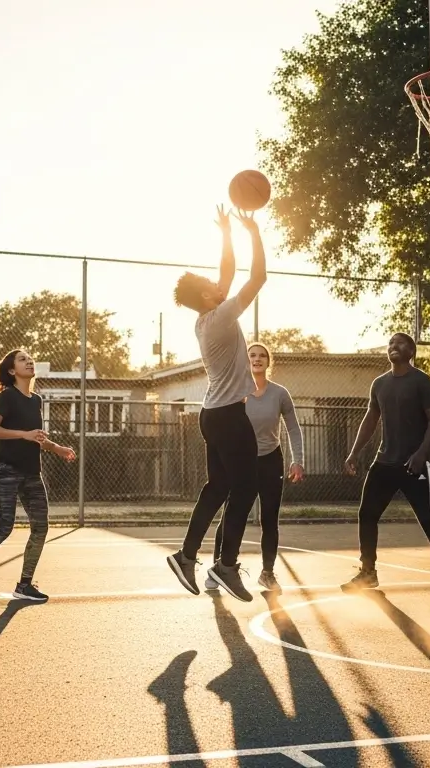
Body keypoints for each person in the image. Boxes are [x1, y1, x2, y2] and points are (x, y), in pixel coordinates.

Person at [164, 205, 268, 603]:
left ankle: (186, 555)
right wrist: (253, 233)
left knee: (219, 486)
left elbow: (226, 272)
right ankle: (224, 565)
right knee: (247, 487)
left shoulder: (205, 317)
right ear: (209, 295)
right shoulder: (223, 315)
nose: (218, 281)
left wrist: (227, 233)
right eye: (212, 282)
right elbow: (257, 277)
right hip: (227, 415)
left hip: (211, 414)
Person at [341, 332, 430, 597]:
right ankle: (368, 572)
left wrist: (422, 452)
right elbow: (370, 420)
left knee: (427, 517)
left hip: (413, 463)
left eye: (400, 343)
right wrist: (354, 452)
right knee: (367, 514)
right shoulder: (379, 384)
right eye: (390, 343)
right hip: (384, 461)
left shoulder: (422, 382)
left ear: (411, 351)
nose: (394, 346)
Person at [0, 349, 76, 604]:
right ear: (12, 371)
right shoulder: (8, 396)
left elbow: (37, 436)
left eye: (30, 358)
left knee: (41, 527)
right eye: (22, 359)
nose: (29, 361)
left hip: (32, 472)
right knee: (4, 528)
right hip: (7, 470)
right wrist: (23, 434)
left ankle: (24, 584)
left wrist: (57, 448)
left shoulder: (36, 400)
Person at [202, 342, 304, 593]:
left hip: (270, 460)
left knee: (270, 519)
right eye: (252, 356)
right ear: (245, 361)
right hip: (239, 460)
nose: (257, 359)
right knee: (231, 515)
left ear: (269, 362)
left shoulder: (280, 394)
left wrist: (297, 459)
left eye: (262, 356)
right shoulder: (234, 393)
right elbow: (219, 426)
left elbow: (292, 427)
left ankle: (267, 573)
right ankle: (218, 569)